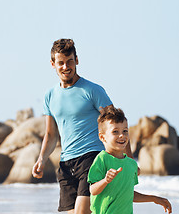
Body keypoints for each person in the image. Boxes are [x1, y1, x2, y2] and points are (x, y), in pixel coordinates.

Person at [32, 39, 134, 214]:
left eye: (70, 61)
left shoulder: (93, 90)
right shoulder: (50, 96)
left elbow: (117, 125)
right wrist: (41, 159)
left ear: (76, 60)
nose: (66, 67)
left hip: (91, 158)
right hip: (66, 164)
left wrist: (129, 162)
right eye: (61, 63)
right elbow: (51, 134)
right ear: (53, 64)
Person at [87, 106, 172, 214]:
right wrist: (105, 180)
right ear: (102, 137)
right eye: (115, 132)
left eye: (125, 131)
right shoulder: (102, 159)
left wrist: (154, 199)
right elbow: (93, 190)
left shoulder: (131, 164)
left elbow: (128, 194)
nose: (122, 135)